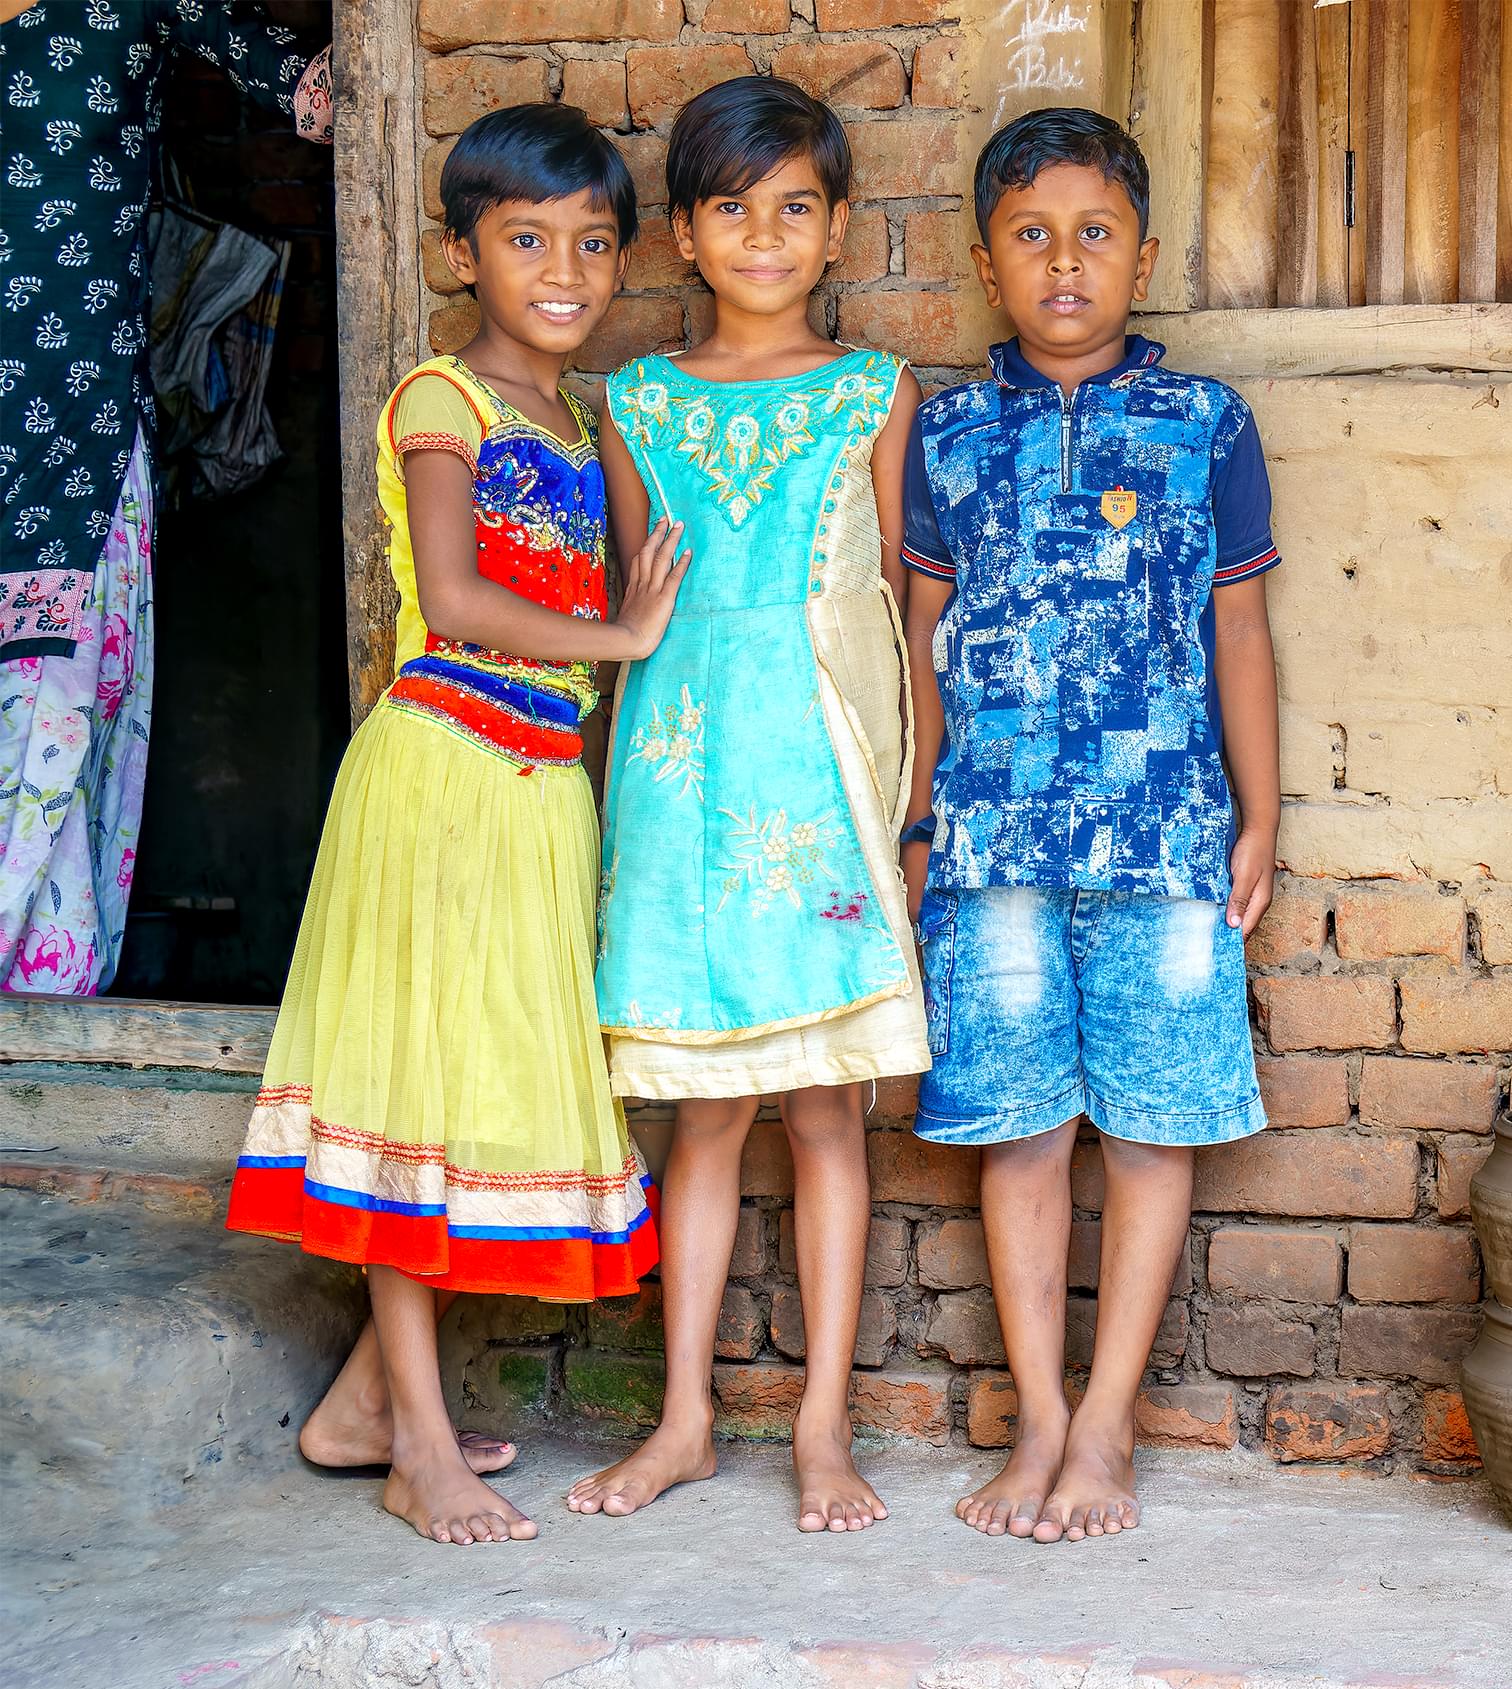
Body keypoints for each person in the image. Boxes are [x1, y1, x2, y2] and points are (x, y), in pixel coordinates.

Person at [225, 105, 688, 1546]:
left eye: (595, 243)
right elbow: (461, 593)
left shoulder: (583, 414)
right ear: (459, 254)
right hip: (441, 771)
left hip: (539, 790)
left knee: (480, 1097)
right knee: (420, 1102)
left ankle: (365, 1402)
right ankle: (421, 1445)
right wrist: (619, 633)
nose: (567, 269)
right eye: (527, 240)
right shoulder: (446, 399)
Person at [901, 106, 1282, 1544]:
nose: (1066, 262)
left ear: (1145, 254)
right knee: (1018, 1128)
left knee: (1150, 1122)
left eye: (1095, 234)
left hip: (1168, 828)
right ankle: (1040, 1416)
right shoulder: (945, 431)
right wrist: (923, 807)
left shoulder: (1205, 426)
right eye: (1033, 236)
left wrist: (1262, 808)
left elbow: (1238, 627)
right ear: (991, 260)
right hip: (991, 836)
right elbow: (920, 634)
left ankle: (1109, 1420)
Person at [569, 75, 928, 1535]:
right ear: (686, 234)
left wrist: (906, 801)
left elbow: (900, 601)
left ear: (839, 227)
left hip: (824, 781)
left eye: (794, 209)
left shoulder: (875, 390)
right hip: (675, 791)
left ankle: (825, 1425)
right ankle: (685, 1418)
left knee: (827, 1114)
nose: (764, 236)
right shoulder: (635, 403)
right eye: (733, 209)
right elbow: (631, 607)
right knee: (700, 1124)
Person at [0, 0, 331, 995]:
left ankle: (34, 1001)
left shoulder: (128, 4)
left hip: (71, 438)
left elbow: (321, 92)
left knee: (49, 713)